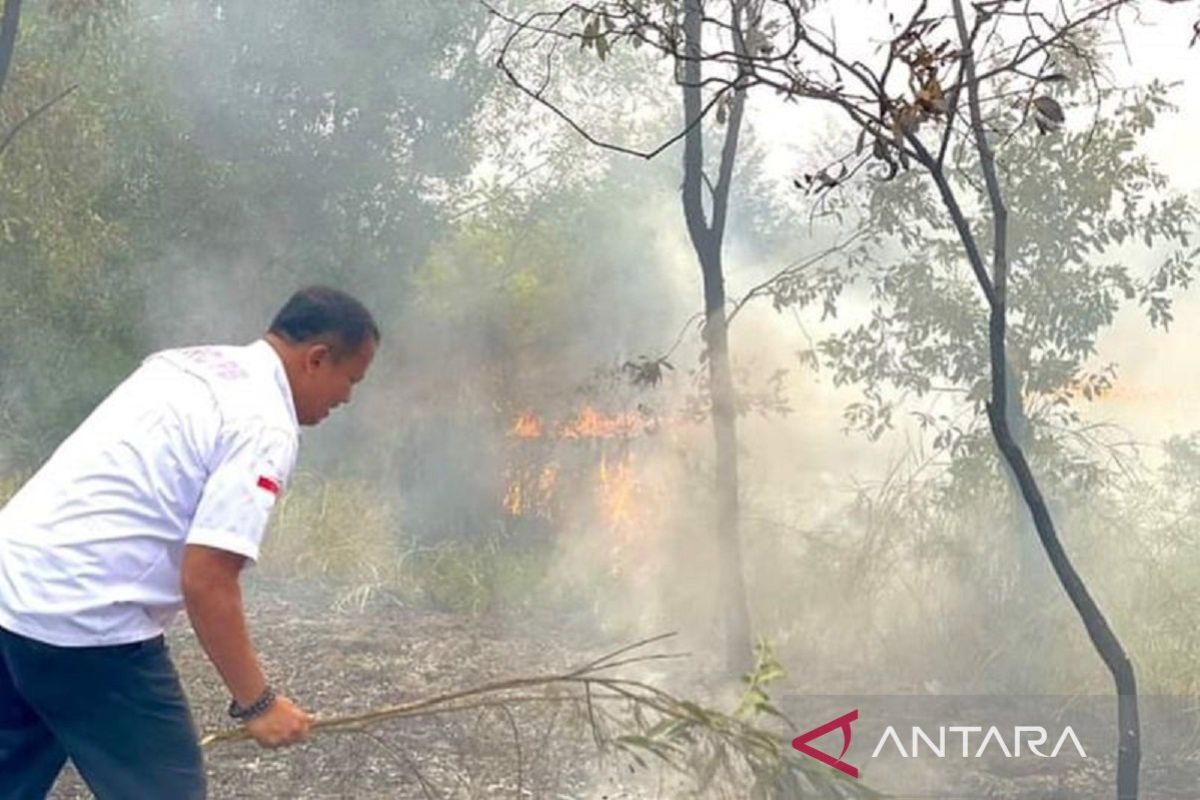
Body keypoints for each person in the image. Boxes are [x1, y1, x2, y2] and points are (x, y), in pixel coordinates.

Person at [0, 286, 379, 799]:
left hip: (14, 583)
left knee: (13, 768)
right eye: (350, 379)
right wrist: (259, 703)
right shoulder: (264, 423)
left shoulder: (190, 364)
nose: (347, 398)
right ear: (316, 359)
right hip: (84, 617)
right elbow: (207, 579)